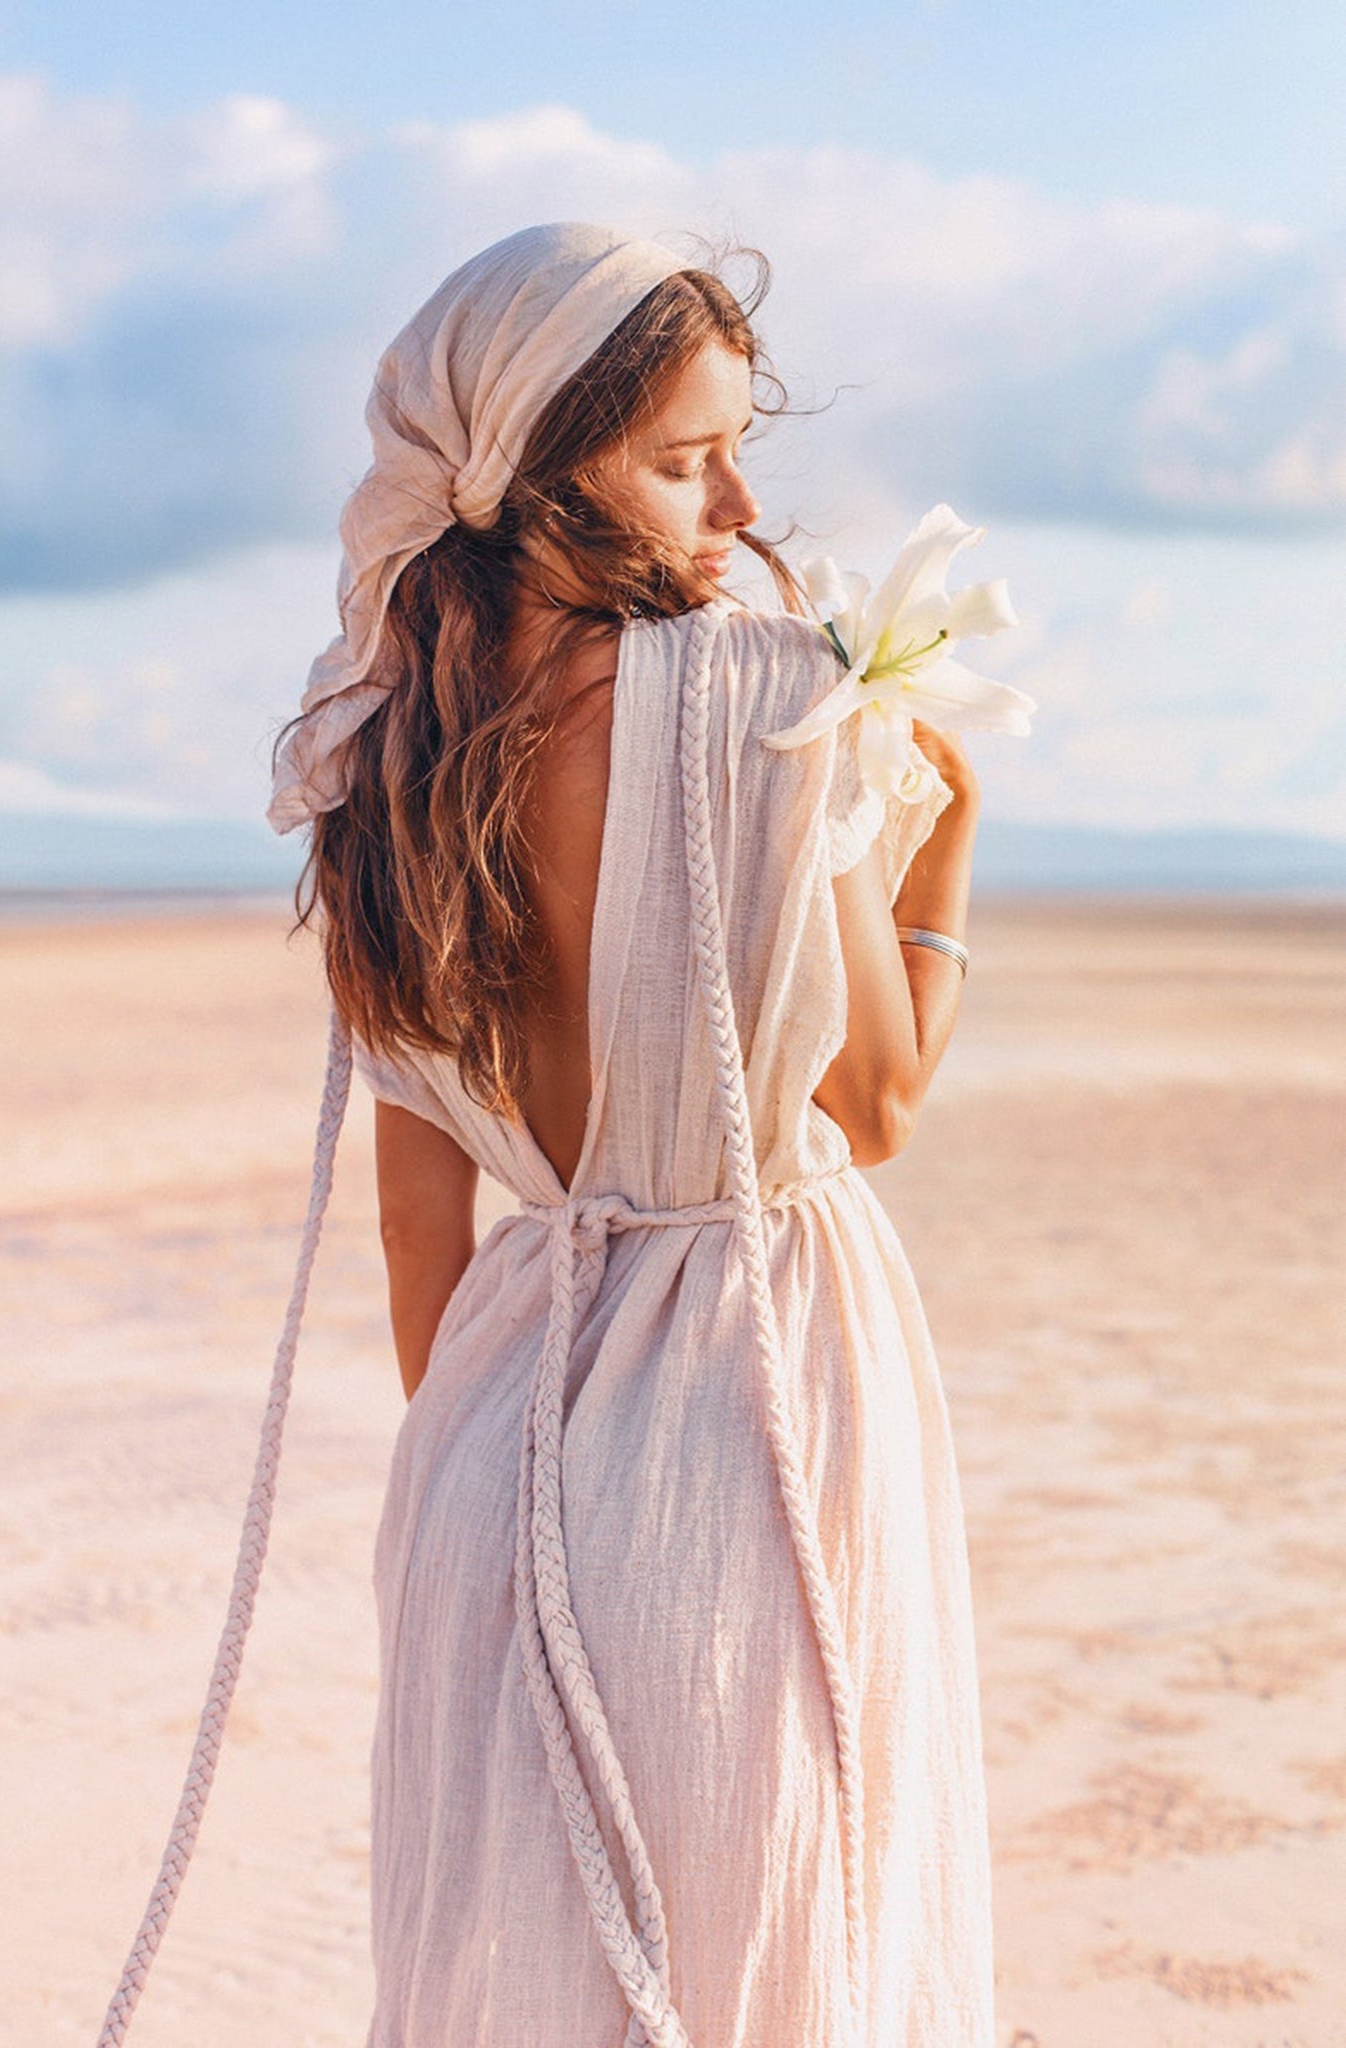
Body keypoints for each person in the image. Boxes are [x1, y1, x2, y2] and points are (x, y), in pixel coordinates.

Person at [273, 221, 993, 2048]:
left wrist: (513, 1490)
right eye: (683, 458)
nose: (736, 499)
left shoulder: (377, 756)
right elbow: (882, 1098)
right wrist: (945, 855)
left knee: (524, 1955)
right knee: (784, 1898)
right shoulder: (767, 698)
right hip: (763, 1366)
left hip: (506, 1400)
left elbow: (414, 1231)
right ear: (535, 469)